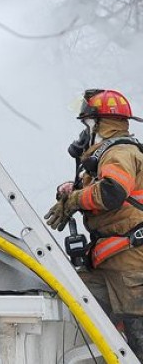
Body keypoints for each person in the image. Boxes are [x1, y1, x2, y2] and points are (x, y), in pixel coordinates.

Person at [45, 89, 143, 357]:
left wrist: (76, 200)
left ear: (100, 124)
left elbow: (112, 191)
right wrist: (72, 191)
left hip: (130, 266)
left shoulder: (119, 152)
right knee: (77, 298)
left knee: (139, 340)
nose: (84, 133)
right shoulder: (108, 154)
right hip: (110, 262)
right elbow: (104, 190)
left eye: (87, 124)